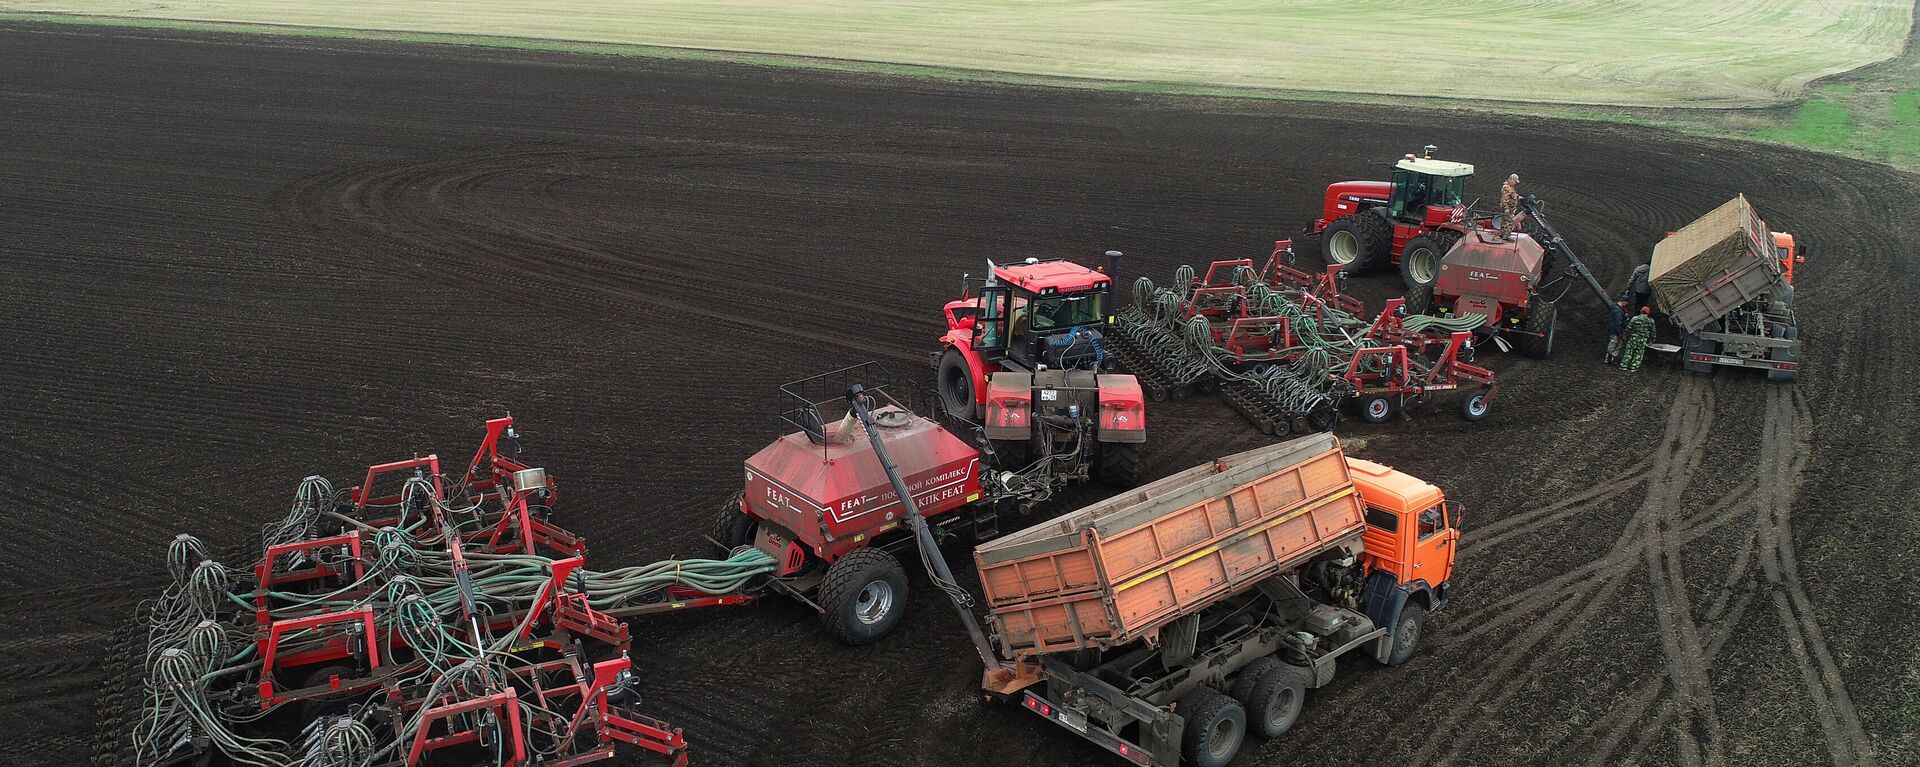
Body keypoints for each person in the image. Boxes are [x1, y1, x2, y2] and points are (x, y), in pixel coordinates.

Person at [1620, 306, 1655, 371]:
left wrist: (1625, 336)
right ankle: (1634, 367)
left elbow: (1628, 328)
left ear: (1641, 311)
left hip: (1633, 338)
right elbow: (1653, 331)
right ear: (1648, 313)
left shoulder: (1635, 318)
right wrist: (1652, 339)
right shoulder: (1651, 321)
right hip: (1643, 340)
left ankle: (1624, 366)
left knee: (1628, 352)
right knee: (1639, 353)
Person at [1497, 173, 1524, 238]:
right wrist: (1506, 208)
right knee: (1509, 221)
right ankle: (1506, 235)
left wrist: (1519, 197)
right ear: (1511, 179)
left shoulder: (1511, 187)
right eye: (1515, 181)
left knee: (1505, 220)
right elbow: (1505, 198)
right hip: (1508, 208)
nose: (1515, 183)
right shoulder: (1506, 187)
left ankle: (1502, 233)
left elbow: (1512, 195)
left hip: (1510, 208)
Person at [1605, 299, 1630, 364]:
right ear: (1624, 301)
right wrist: (1620, 332)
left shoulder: (1615, 308)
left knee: (1613, 343)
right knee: (1615, 343)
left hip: (1612, 329)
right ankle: (1610, 357)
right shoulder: (1618, 311)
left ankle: (1609, 358)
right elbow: (1618, 322)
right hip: (1616, 330)